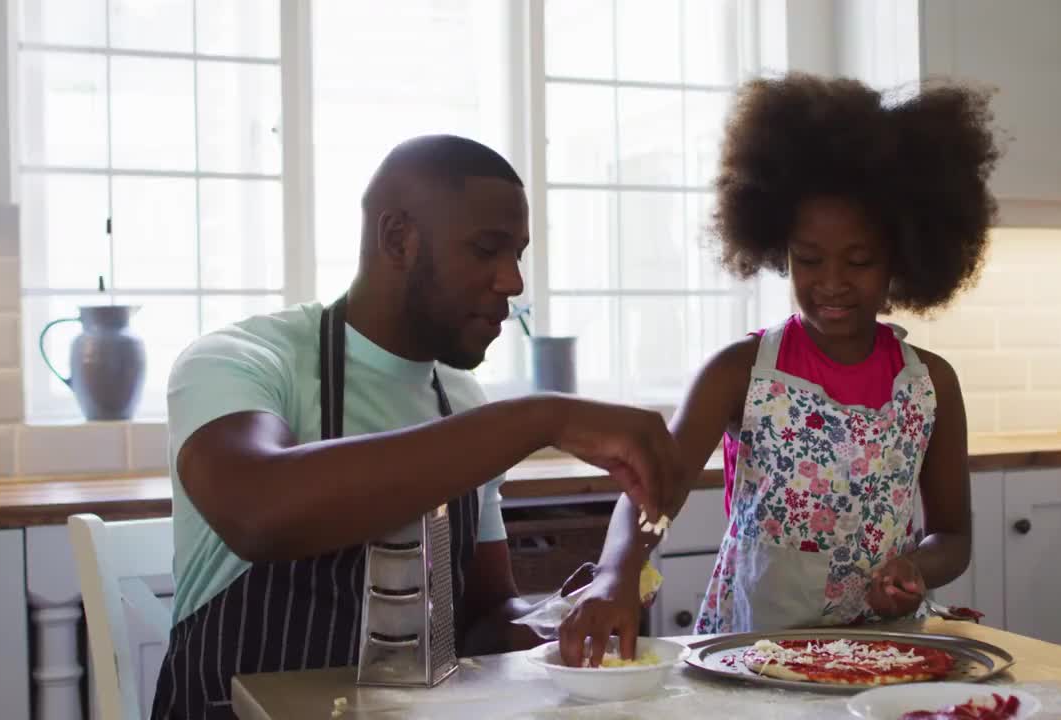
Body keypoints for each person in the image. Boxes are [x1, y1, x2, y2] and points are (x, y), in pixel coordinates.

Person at [151, 135, 681, 719]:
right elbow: (256, 512)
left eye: (519, 255)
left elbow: (483, 616)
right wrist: (543, 417)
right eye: (487, 250)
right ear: (397, 238)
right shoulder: (242, 360)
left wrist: (556, 619)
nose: (513, 282)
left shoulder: (459, 398)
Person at [559, 72, 1000, 656]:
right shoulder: (740, 371)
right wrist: (616, 573)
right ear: (777, 249)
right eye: (809, 259)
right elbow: (652, 492)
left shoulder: (930, 384)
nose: (832, 283)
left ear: (902, 256)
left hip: (881, 652)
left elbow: (954, 536)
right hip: (752, 648)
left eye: (860, 260)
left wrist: (915, 569)